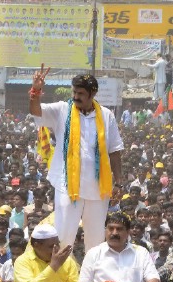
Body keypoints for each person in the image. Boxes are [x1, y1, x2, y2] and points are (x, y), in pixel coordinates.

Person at [31, 68, 124, 250]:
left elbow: (114, 151)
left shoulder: (106, 115)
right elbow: (36, 111)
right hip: (67, 185)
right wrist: (35, 91)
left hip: (98, 188)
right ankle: (62, 274)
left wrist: (119, 183)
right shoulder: (62, 110)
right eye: (74, 92)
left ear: (93, 93)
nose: (76, 96)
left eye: (81, 93)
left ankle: (92, 277)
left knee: (96, 240)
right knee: (64, 235)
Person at [78, 212, 160, 282]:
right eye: (111, 228)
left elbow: (154, 281)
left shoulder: (141, 252)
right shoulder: (93, 253)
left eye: (119, 229)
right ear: (105, 230)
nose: (114, 233)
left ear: (128, 232)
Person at [12, 223, 79, 282]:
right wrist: (53, 267)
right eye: (51, 246)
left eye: (58, 244)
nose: (56, 249)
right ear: (36, 245)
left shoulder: (67, 261)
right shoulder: (22, 261)